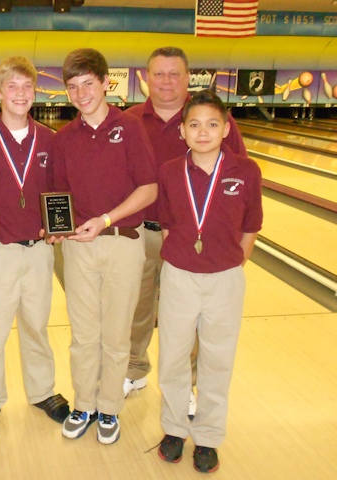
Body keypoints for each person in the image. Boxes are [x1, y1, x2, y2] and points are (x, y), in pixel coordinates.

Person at [124, 48, 247, 414]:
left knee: (192, 316)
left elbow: (238, 174)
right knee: (137, 307)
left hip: (197, 239)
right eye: (158, 74)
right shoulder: (130, 120)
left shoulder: (209, 118)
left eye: (174, 74)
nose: (165, 81)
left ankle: (190, 383)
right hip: (143, 232)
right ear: (146, 77)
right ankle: (135, 368)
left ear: (188, 76)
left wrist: (233, 247)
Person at [51, 48, 157, 445]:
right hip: (79, 248)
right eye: (73, 87)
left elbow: (149, 189)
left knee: (115, 334)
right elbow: (57, 196)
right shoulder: (64, 139)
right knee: (83, 334)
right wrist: (57, 228)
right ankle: (85, 404)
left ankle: (110, 407)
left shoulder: (128, 128)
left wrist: (106, 219)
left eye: (88, 84)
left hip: (124, 242)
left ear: (105, 82)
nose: (81, 94)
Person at [155, 90, 262, 472]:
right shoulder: (169, 171)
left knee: (218, 359)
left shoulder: (246, 171)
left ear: (226, 128)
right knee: (172, 356)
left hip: (226, 280)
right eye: (195, 124)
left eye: (212, 124)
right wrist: (187, 260)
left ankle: (209, 437)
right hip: (180, 276)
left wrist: (232, 265)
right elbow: (167, 225)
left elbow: (251, 227)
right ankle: (173, 428)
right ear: (182, 130)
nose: (203, 132)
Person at [0, 57, 69, 437]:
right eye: (13, 86)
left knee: (36, 326)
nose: (21, 94)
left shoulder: (50, 140)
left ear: (35, 92)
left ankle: (43, 392)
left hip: (40, 251)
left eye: (27, 87)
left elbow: (59, 191)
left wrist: (60, 225)